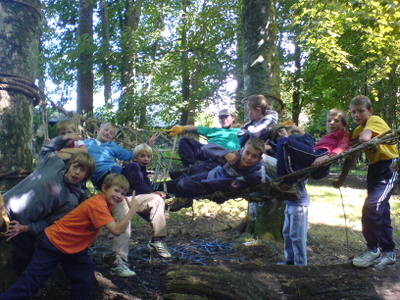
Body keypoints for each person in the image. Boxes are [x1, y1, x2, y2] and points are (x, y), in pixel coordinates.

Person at [0, 173, 138, 300]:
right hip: (54, 243)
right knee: (32, 281)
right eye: (116, 190)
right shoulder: (98, 205)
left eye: (123, 193)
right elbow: (116, 230)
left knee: (84, 279)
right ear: (104, 188)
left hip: (74, 248)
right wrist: (131, 211)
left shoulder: (105, 204)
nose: (119, 195)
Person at [84, 123, 168, 277]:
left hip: (122, 184)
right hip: (107, 181)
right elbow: (72, 152)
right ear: (98, 130)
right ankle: (119, 262)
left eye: (111, 133)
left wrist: (146, 146)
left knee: (156, 199)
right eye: (106, 130)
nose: (108, 134)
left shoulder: (112, 146)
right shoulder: (87, 144)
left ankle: (157, 239)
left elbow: (131, 155)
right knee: (122, 210)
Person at [3, 152, 95, 275]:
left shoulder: (71, 199)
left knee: (24, 258)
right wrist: (70, 140)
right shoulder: (55, 165)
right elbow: (48, 150)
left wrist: (25, 228)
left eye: (82, 170)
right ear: (70, 165)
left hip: (18, 222)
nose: (77, 172)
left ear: (86, 176)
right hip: (4, 203)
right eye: (75, 166)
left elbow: (49, 223)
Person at [334, 95, 399, 269]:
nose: (356, 115)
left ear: (370, 111)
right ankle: (388, 253)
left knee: (373, 207)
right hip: (374, 169)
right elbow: (351, 156)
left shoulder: (375, 121)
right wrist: (341, 178)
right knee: (381, 210)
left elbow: (365, 137)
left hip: (388, 167)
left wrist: (364, 140)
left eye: (361, 111)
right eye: (353, 112)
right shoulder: (356, 131)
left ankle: (373, 249)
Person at [112, 143, 171, 270]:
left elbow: (144, 188)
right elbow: (137, 185)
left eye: (149, 157)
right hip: (127, 198)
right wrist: (152, 193)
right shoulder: (132, 166)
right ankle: (120, 261)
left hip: (136, 199)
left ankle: (156, 240)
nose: (146, 159)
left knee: (158, 203)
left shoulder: (143, 171)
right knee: (155, 200)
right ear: (135, 158)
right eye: (142, 156)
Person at [165, 138, 265, 210]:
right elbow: (206, 148)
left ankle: (183, 191)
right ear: (242, 150)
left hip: (211, 183)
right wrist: (225, 154)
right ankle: (187, 172)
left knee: (181, 184)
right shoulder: (235, 156)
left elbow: (253, 181)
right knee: (185, 142)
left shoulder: (254, 173)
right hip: (210, 170)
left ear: (259, 159)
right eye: (247, 153)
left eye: (254, 156)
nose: (248, 158)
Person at [273, 108, 350, 189]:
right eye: (329, 121)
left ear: (343, 124)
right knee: (285, 143)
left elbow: (343, 146)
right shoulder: (329, 136)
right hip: (315, 153)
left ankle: (284, 180)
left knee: (284, 141)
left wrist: (328, 156)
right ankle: (288, 181)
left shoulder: (343, 133)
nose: (331, 123)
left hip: (320, 154)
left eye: (336, 121)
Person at [167, 109, 240, 177]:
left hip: (224, 156)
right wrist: (181, 128)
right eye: (221, 117)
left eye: (226, 117)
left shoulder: (240, 131)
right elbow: (195, 128)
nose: (223, 119)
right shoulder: (214, 130)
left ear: (233, 118)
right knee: (185, 141)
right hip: (208, 151)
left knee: (214, 163)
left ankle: (190, 172)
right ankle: (189, 167)